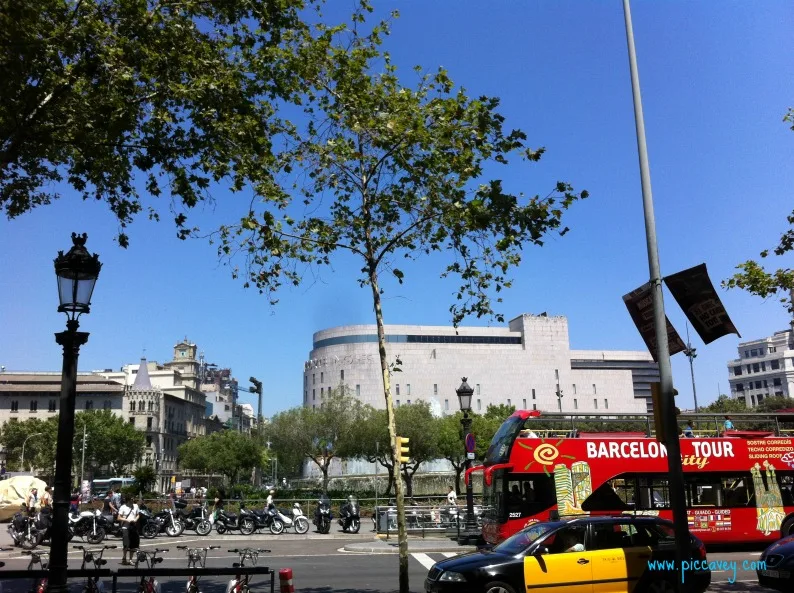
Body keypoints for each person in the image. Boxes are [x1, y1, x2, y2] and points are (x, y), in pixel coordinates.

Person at [118, 495, 140, 565]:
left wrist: (135, 520)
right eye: (131, 499)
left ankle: (130, 560)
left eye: (133, 499)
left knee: (133, 545)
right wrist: (127, 520)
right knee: (126, 544)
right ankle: (124, 558)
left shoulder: (135, 506)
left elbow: (138, 514)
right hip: (125, 527)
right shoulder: (123, 507)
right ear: (127, 500)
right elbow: (119, 518)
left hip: (133, 527)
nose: (133, 500)